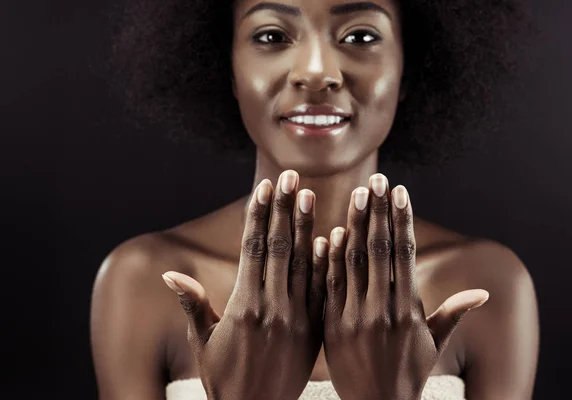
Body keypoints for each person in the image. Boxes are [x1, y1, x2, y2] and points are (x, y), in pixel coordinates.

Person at [91, 0, 539, 399]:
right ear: (226, 66)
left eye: (360, 36)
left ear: (408, 68)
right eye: (272, 36)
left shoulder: (487, 287)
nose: (317, 71)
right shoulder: (144, 281)